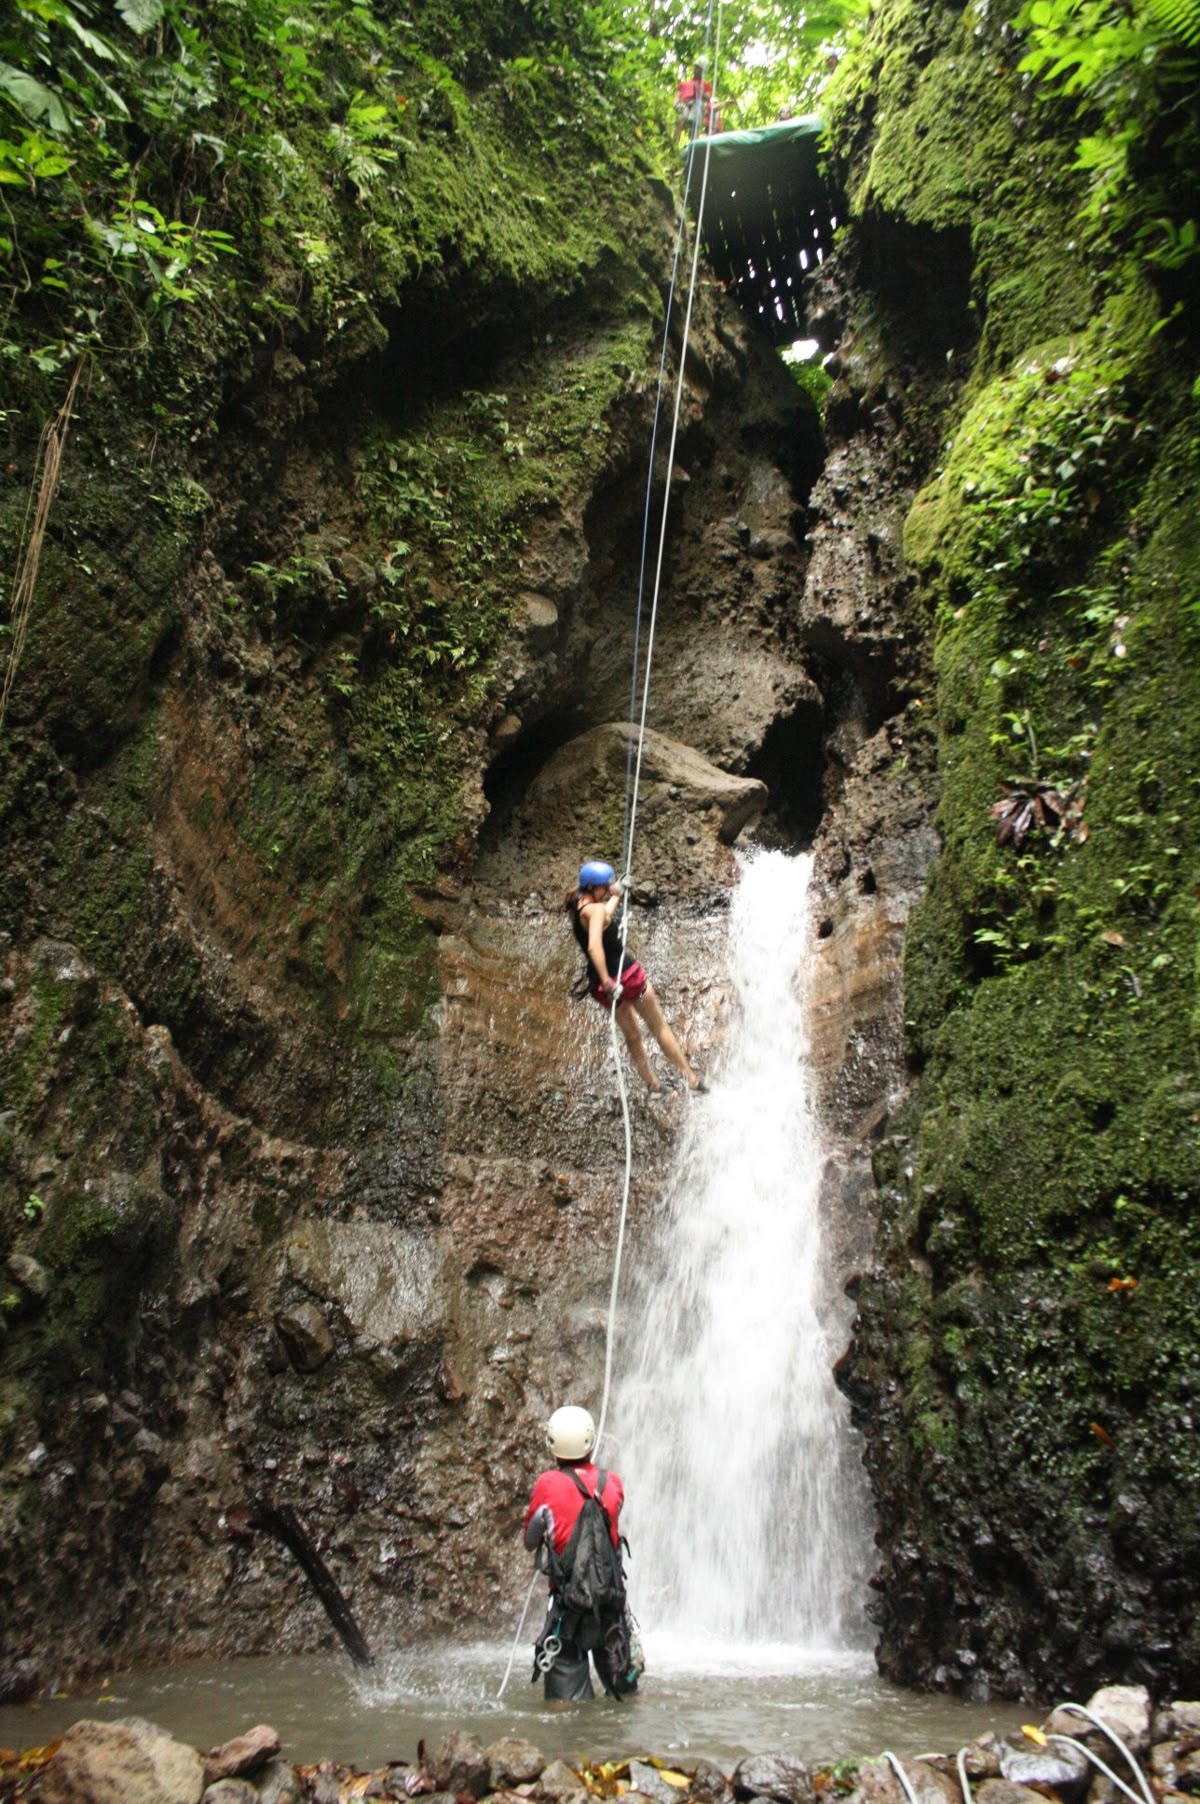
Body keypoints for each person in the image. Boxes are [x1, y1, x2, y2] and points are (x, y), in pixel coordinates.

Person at [523, 1405, 638, 1701]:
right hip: (610, 1607)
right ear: (590, 1441)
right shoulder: (611, 1482)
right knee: (627, 1698)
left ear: (552, 1443)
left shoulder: (547, 1484)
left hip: (569, 1609)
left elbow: (530, 1539)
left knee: (566, 1709)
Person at [567, 859, 704, 1093]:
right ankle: (691, 1080)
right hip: (625, 975)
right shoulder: (596, 909)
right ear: (592, 887)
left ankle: (653, 1085)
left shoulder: (582, 906)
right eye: (605, 886)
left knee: (633, 1036)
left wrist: (617, 895)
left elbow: (604, 917)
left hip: (601, 988)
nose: (608, 888)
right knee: (659, 1027)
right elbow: (594, 947)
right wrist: (608, 980)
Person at [673, 60, 714, 145]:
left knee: (694, 126)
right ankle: (674, 145)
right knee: (680, 120)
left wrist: (699, 92)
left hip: (697, 103)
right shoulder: (684, 84)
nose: (696, 70)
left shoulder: (706, 85)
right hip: (684, 103)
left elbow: (708, 97)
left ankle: (694, 147)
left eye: (699, 68)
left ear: (703, 71)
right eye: (696, 67)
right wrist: (675, 103)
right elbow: (678, 95)